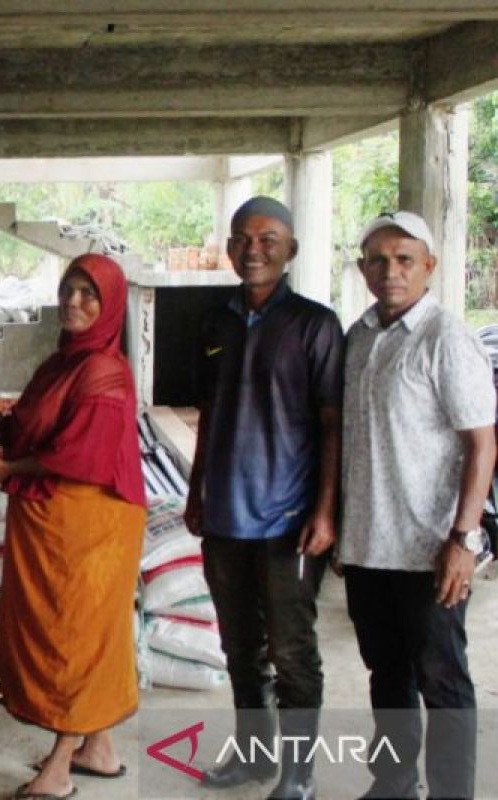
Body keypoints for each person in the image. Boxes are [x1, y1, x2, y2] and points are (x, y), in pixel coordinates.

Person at [0, 254, 146, 800]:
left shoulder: (105, 372)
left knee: (72, 639)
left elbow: (80, 454)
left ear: (111, 306)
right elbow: (33, 428)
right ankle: (98, 749)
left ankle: (58, 768)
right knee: (87, 632)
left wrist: (6, 470)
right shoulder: (63, 362)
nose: (74, 303)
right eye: (69, 290)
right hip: (54, 519)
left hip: (90, 522)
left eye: (89, 294)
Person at [183, 196, 342, 800]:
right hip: (224, 514)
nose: (254, 250)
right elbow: (207, 414)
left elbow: (332, 423)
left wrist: (325, 511)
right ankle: (254, 756)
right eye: (243, 240)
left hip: (289, 522)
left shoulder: (314, 324)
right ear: (228, 249)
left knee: (293, 651)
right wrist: (197, 491)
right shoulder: (214, 319)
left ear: (291, 250)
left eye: (268, 239)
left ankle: (298, 773)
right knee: (240, 647)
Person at [340, 211, 496, 799]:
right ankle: (394, 785)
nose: (391, 271)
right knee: (387, 675)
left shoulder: (446, 338)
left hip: (429, 548)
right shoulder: (360, 337)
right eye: (378, 260)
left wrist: (464, 539)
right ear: (362, 269)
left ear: (429, 267)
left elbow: (482, 443)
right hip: (368, 545)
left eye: (405, 260)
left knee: (443, 681)